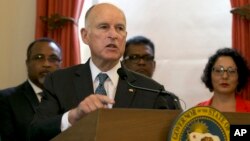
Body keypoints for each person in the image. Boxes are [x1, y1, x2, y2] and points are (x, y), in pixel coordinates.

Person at [29, 3, 181, 141]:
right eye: (104, 27)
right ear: (85, 35)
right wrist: (73, 116)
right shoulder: (59, 81)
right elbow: (35, 133)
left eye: (119, 28)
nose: (113, 35)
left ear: (125, 37)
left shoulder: (152, 90)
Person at [0, 37, 62, 141]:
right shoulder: (6, 99)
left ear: (60, 64)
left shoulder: (71, 97)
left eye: (53, 58)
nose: (46, 64)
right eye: (39, 57)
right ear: (27, 63)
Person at [197, 47, 250, 112]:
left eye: (231, 71)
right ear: (210, 75)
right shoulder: (197, 111)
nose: (225, 76)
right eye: (218, 71)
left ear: (239, 77)